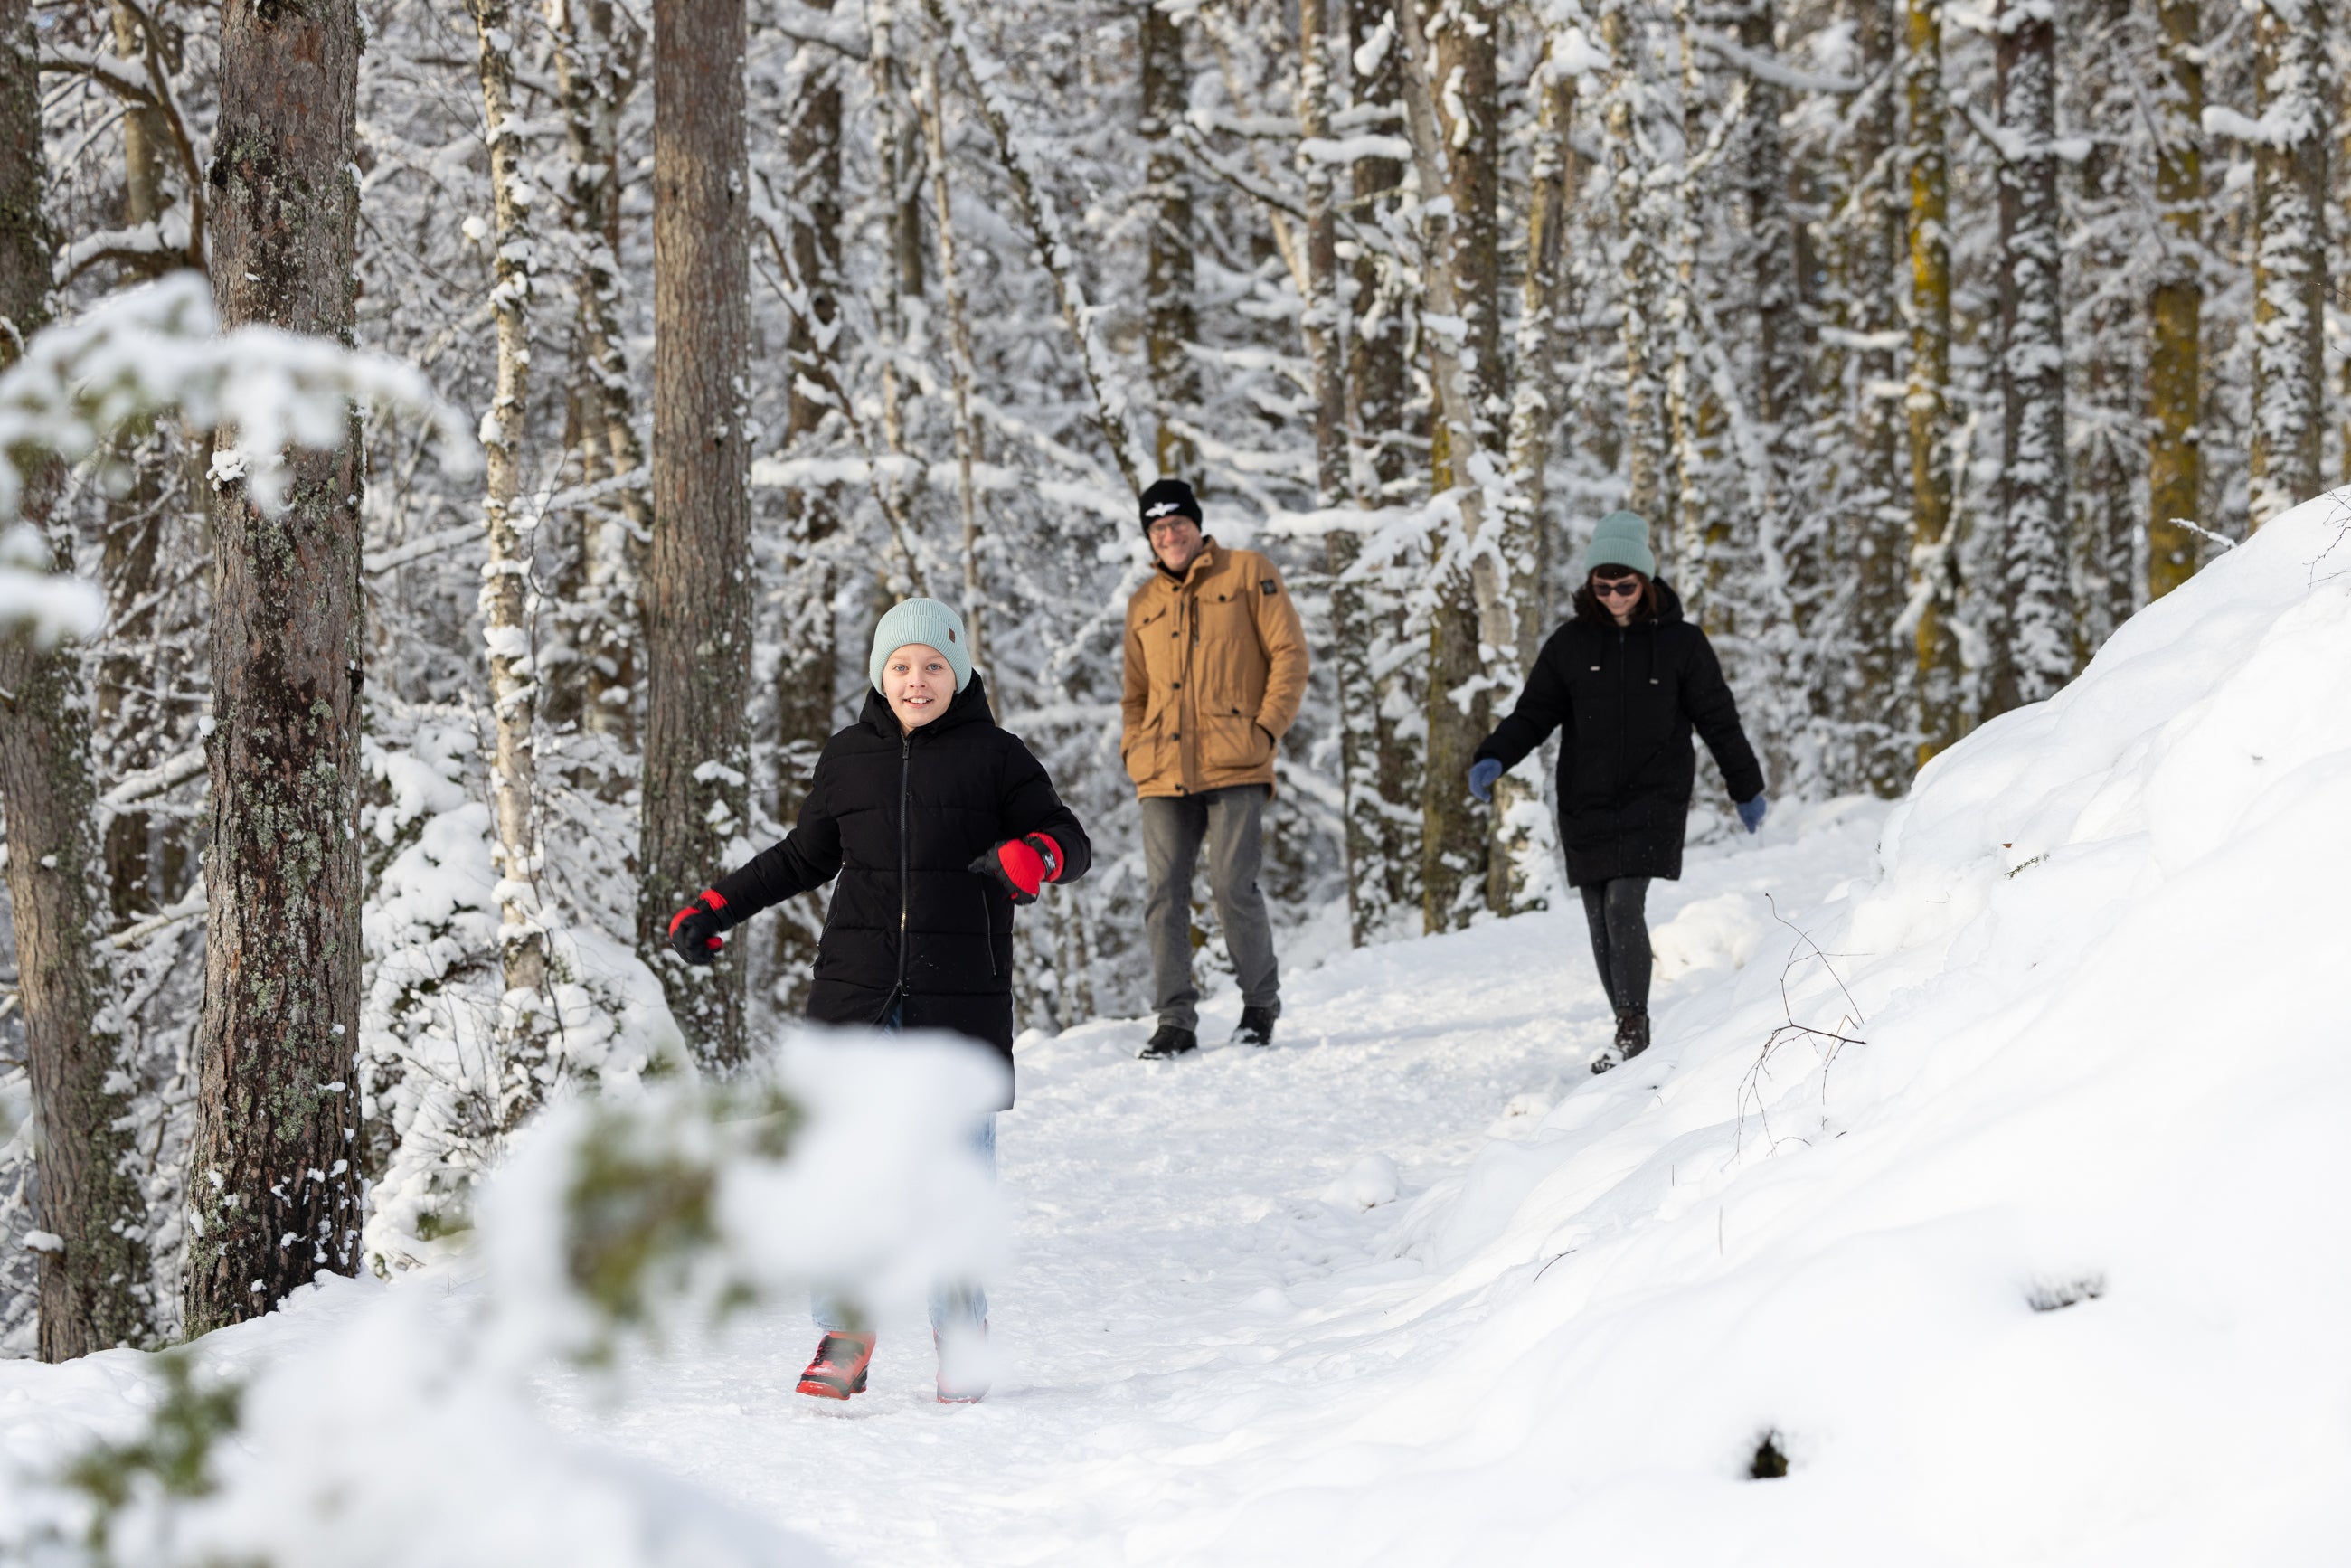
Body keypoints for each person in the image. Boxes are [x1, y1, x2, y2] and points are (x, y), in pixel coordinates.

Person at [662, 598, 1091, 1405]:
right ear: (879, 674)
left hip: (956, 1003)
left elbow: (1070, 837)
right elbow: (802, 857)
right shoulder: (848, 756)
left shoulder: (997, 758)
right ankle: (846, 1330)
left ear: (958, 673)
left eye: (933, 665)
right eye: (901, 666)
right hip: (855, 994)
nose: (917, 680)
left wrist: (1038, 853)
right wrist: (717, 906)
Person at [1466, 512, 1767, 1074]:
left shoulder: (1683, 644)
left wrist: (1745, 786)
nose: (1612, 597)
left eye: (1624, 586)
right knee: (1600, 913)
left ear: (1647, 582)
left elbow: (1718, 721)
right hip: (1586, 798)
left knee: (1626, 901)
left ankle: (1633, 1027)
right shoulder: (1571, 645)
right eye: (1601, 587)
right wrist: (1493, 755)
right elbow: (1535, 714)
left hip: (1655, 796)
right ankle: (1627, 1028)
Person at [1120, 477, 1309, 1059]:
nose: (1170, 535)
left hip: (1236, 760)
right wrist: (1134, 747)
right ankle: (1174, 1019)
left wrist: (1265, 729)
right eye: (1158, 529)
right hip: (1161, 767)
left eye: (1178, 524)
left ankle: (1259, 1005)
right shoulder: (1144, 603)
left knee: (1231, 887)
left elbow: (1290, 655)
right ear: (1150, 539)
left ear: (1197, 525)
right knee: (1163, 894)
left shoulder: (1249, 572)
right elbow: (1134, 693)